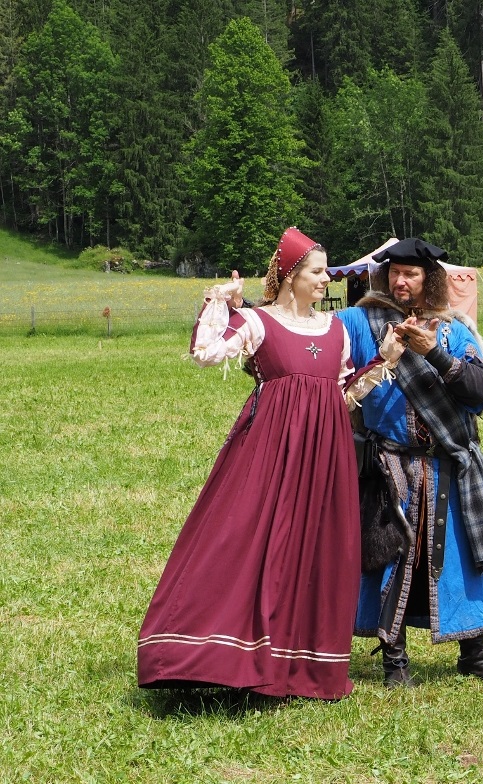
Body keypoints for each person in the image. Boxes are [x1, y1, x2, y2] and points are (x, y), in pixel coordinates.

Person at [138, 227, 361, 700]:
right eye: (318, 272)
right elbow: (204, 353)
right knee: (244, 539)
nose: (326, 280)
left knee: (312, 548)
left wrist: (384, 361)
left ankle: (300, 665)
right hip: (269, 451)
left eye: (325, 272)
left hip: (324, 455)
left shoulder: (336, 329)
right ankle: (213, 652)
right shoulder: (258, 322)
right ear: (291, 274)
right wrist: (219, 299)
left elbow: (340, 395)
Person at [339, 238, 483, 687]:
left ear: (429, 279)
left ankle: (475, 655)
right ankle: (394, 661)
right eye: (395, 272)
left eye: (411, 273)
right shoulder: (360, 322)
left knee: (462, 560)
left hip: (448, 465)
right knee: (394, 558)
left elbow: (481, 391)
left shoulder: (454, 329)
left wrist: (434, 350)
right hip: (391, 465)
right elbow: (306, 337)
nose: (401, 280)